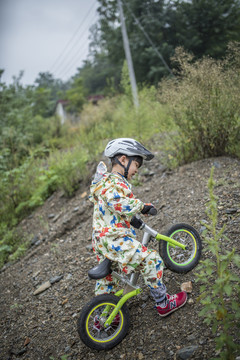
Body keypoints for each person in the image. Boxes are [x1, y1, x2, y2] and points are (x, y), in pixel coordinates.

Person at [89, 138, 187, 317]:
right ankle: (163, 303)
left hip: (102, 240)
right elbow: (117, 202)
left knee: (108, 279)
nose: (136, 170)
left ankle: (103, 316)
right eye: (136, 164)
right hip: (114, 239)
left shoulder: (105, 182)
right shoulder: (113, 183)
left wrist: (133, 220)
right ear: (123, 160)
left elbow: (112, 209)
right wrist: (141, 207)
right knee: (152, 260)